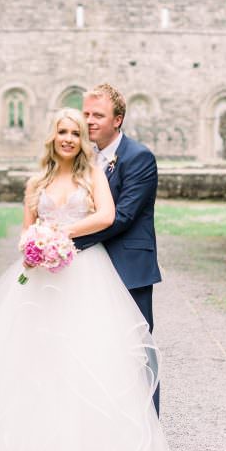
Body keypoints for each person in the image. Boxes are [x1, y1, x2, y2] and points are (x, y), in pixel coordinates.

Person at [0, 108, 175, 451]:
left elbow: (107, 215)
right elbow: (26, 230)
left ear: (82, 140)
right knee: (37, 358)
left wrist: (61, 233)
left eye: (76, 133)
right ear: (53, 136)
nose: (68, 138)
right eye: (62, 131)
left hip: (85, 272)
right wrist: (33, 247)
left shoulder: (93, 175)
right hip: (41, 279)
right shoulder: (36, 183)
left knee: (85, 357)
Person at [75, 84, 162, 415]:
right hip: (88, 270)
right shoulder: (81, 158)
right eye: (86, 113)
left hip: (128, 268)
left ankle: (148, 427)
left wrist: (68, 242)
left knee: (137, 351)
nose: (89, 120)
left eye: (98, 115)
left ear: (118, 119)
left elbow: (123, 216)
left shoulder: (139, 157)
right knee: (95, 351)